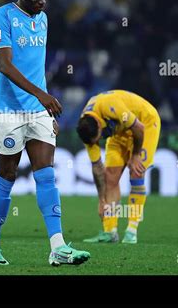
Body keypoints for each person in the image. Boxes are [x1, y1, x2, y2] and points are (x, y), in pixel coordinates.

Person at [0, 0, 90, 266]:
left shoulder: (42, 19)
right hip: (7, 110)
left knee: (46, 174)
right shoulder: (2, 17)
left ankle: (58, 247)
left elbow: (35, 67)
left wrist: (42, 106)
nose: (42, 1)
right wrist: (42, 96)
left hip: (38, 110)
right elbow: (4, 65)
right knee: (7, 175)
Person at [76, 90, 161, 244]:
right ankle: (110, 231)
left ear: (100, 126)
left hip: (145, 123)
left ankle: (131, 230)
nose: (99, 141)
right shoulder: (87, 131)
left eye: (100, 138)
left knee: (136, 172)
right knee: (110, 177)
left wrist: (135, 155)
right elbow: (97, 168)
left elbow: (139, 128)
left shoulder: (110, 106)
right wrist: (102, 200)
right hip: (120, 132)